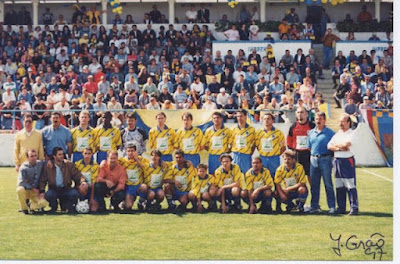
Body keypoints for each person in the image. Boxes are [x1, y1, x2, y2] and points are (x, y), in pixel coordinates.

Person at [328, 114, 358, 215]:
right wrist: (339, 148)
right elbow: (329, 146)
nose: (340, 124)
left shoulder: (352, 133)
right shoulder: (338, 134)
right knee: (339, 185)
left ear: (348, 122)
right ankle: (341, 207)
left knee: (350, 185)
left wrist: (336, 146)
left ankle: (354, 208)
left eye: (343, 121)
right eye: (340, 121)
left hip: (347, 161)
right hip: (337, 161)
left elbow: (347, 145)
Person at [39, 147, 86, 213]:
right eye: (59, 154)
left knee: (74, 193)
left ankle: (70, 207)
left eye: (62, 154)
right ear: (54, 156)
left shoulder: (69, 165)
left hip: (66, 188)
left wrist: (83, 182)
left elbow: (78, 175)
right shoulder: (48, 166)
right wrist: (42, 191)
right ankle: (53, 207)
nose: (62, 156)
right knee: (49, 194)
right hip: (54, 189)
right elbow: (42, 180)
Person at [307, 112, 335, 214]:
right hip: (313, 159)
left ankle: (332, 206)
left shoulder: (331, 133)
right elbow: (309, 147)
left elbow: (333, 147)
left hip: (325, 159)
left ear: (324, 120)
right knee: (314, 185)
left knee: (328, 184)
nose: (318, 121)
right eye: (316, 119)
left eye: (320, 119)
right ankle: (314, 206)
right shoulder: (310, 133)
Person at [17, 149, 49, 214]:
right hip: (26, 191)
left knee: (44, 203)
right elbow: (21, 182)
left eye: (35, 155)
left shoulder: (40, 164)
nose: (34, 158)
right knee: (19, 189)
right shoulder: (23, 168)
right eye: (31, 156)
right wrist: (32, 188)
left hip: (35, 193)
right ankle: (24, 209)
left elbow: (48, 162)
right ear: (27, 158)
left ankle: (31, 206)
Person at [119, 143, 148, 211]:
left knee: (144, 187)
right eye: (128, 151)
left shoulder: (141, 159)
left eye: (132, 151)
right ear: (126, 152)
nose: (130, 153)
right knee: (128, 207)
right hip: (129, 186)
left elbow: (146, 168)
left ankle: (141, 202)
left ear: (136, 151)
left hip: (138, 186)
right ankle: (125, 201)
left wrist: (137, 160)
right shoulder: (122, 161)